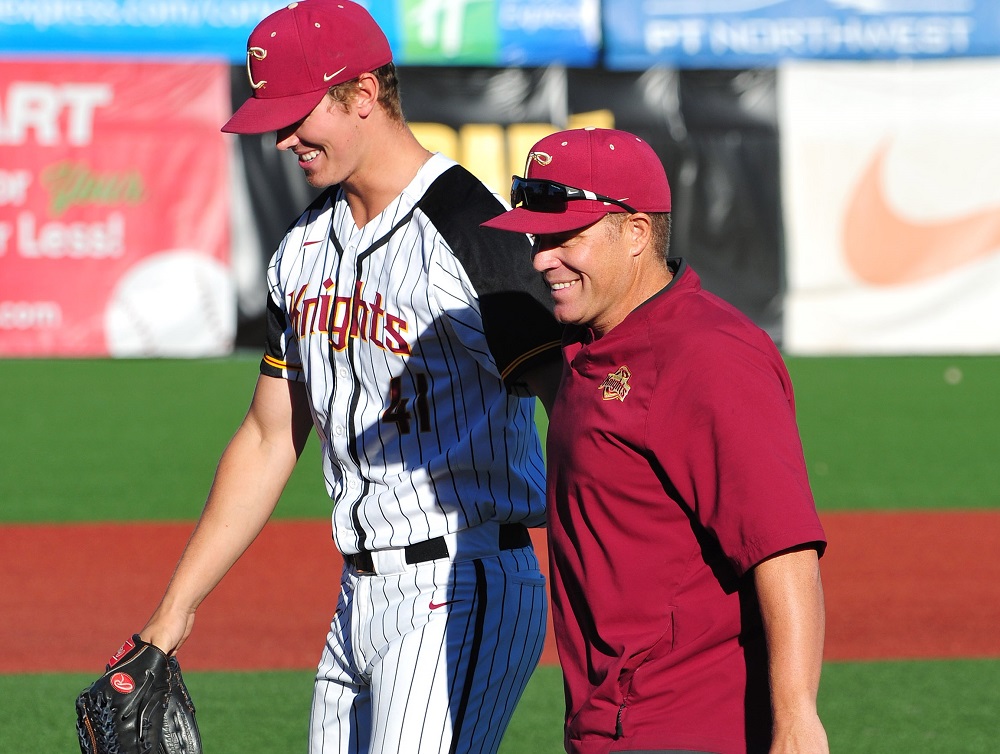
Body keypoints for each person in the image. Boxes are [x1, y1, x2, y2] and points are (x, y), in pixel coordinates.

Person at [137, 2, 563, 753]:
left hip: (464, 580)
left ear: (363, 94)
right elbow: (271, 436)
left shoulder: (470, 234)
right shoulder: (301, 248)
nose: (281, 139)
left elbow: (573, 403)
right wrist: (175, 611)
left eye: (298, 114)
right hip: (356, 598)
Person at [483, 127, 829, 754]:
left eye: (567, 237)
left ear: (636, 232)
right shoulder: (590, 344)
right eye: (539, 238)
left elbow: (782, 549)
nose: (541, 259)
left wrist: (797, 720)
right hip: (608, 724)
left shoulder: (708, 356)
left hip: (687, 725)